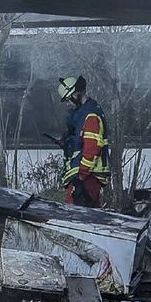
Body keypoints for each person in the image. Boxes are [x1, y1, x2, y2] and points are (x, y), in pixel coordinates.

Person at [56, 76, 110, 208]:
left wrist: (81, 176)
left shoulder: (90, 116)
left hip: (87, 177)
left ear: (76, 93)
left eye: (69, 99)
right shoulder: (83, 114)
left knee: (79, 218)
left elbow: (92, 149)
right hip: (84, 176)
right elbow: (80, 143)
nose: (69, 103)